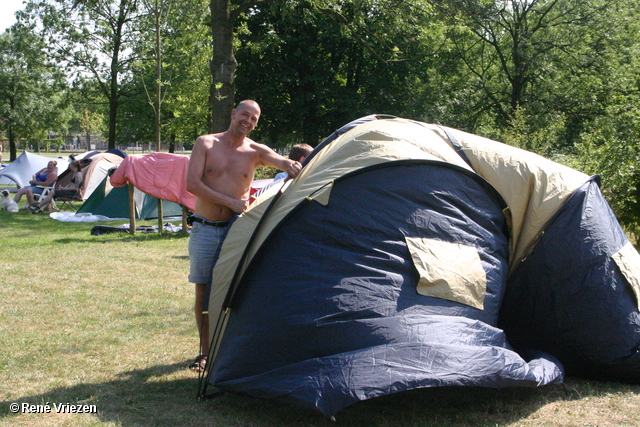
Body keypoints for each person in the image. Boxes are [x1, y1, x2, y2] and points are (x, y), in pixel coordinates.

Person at [185, 99, 302, 372]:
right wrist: (231, 200)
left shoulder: (256, 151)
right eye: (245, 115)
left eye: (254, 119)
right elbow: (192, 184)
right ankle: (205, 352)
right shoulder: (205, 143)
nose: (248, 121)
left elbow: (282, 161)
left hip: (237, 230)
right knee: (204, 291)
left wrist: (292, 165)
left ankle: (233, 349)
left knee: (239, 289)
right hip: (204, 228)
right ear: (233, 113)